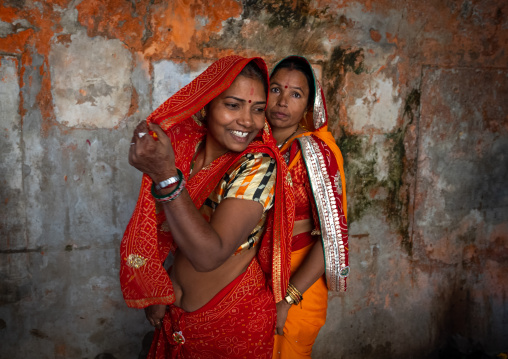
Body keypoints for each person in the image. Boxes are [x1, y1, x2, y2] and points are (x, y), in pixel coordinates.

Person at [120, 56, 294, 358]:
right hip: (176, 318)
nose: (248, 121)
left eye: (256, 109)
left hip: (232, 322)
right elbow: (166, 227)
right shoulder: (187, 148)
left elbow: (208, 255)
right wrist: (161, 283)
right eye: (233, 105)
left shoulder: (257, 165)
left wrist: (165, 175)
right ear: (206, 105)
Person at [267, 56, 350, 359]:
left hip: (300, 279)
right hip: (250, 277)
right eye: (275, 89)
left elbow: (331, 239)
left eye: (295, 94)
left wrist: (286, 300)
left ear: (308, 106)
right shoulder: (247, 143)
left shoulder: (317, 153)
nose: (282, 101)